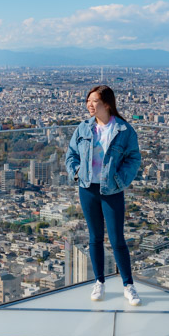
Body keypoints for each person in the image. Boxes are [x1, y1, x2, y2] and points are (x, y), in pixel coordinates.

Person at [65, 85, 143, 305]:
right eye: (88, 101)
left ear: (107, 104)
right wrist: (78, 172)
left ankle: (129, 285)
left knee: (117, 239)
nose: (90, 105)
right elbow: (71, 155)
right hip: (88, 188)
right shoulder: (83, 128)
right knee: (95, 237)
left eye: (94, 101)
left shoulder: (124, 130)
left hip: (112, 189)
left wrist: (120, 179)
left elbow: (133, 158)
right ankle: (99, 281)